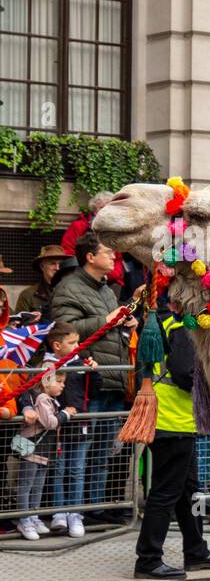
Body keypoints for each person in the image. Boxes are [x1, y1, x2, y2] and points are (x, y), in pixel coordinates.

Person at [133, 302, 210, 579]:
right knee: (165, 493)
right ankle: (148, 559)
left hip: (172, 419)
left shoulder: (163, 323)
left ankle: (196, 550)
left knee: (191, 491)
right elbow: (183, 372)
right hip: (173, 420)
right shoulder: (180, 327)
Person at [49, 231, 138, 525]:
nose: (114, 256)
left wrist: (126, 323)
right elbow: (65, 330)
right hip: (87, 383)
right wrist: (108, 319)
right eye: (108, 252)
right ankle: (71, 512)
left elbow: (110, 327)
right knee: (78, 455)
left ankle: (94, 510)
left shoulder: (106, 289)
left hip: (113, 378)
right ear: (90, 257)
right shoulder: (68, 288)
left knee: (102, 453)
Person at [44, 325, 97, 538]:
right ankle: (58, 513)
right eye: (72, 343)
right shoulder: (47, 365)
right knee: (58, 470)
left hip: (79, 424)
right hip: (58, 425)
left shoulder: (80, 364)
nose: (78, 346)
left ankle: (75, 514)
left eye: (78, 342)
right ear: (57, 345)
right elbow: (45, 392)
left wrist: (93, 373)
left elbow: (93, 390)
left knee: (77, 470)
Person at [11, 372, 74, 541]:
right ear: (46, 383)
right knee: (26, 485)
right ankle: (24, 519)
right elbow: (50, 423)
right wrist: (66, 414)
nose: (63, 385)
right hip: (33, 449)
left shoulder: (51, 399)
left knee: (38, 486)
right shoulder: (42, 399)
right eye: (59, 382)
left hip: (44, 451)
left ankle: (34, 516)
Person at [16, 245, 68, 318]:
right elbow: (18, 325)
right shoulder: (28, 295)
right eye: (52, 263)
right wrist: (29, 321)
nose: (57, 268)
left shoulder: (74, 291)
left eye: (61, 264)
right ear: (42, 266)